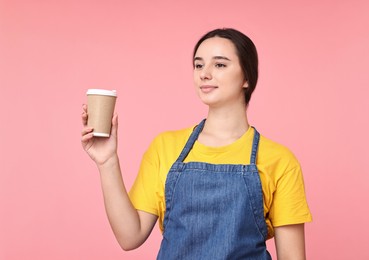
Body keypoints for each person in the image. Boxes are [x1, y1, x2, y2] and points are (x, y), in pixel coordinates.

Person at [81, 28, 312, 259]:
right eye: (199, 65)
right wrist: (107, 161)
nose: (204, 74)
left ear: (247, 78)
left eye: (219, 65)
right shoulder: (165, 147)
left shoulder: (280, 161)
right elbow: (130, 236)